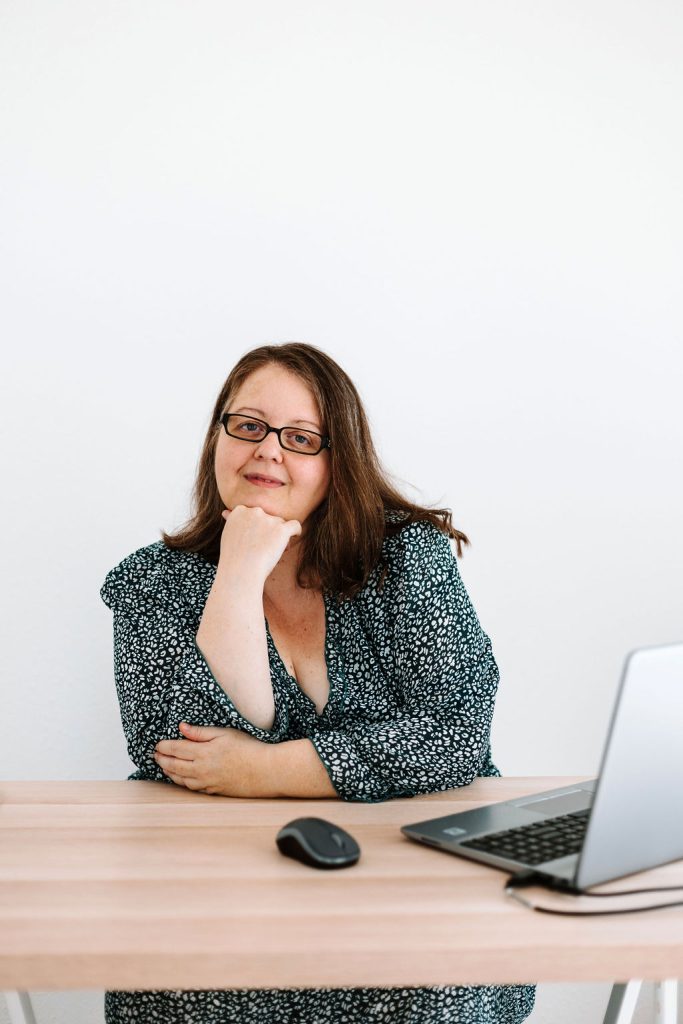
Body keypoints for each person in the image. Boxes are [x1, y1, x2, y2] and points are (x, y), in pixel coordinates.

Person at [100, 342, 536, 1024]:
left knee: (432, 984)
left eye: (300, 438)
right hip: (227, 878)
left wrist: (264, 770)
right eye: (248, 426)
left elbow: (455, 734)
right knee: (180, 984)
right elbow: (178, 751)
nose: (267, 451)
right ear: (216, 437)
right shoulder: (150, 582)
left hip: (409, 869)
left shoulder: (406, 556)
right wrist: (238, 573)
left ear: (338, 462)